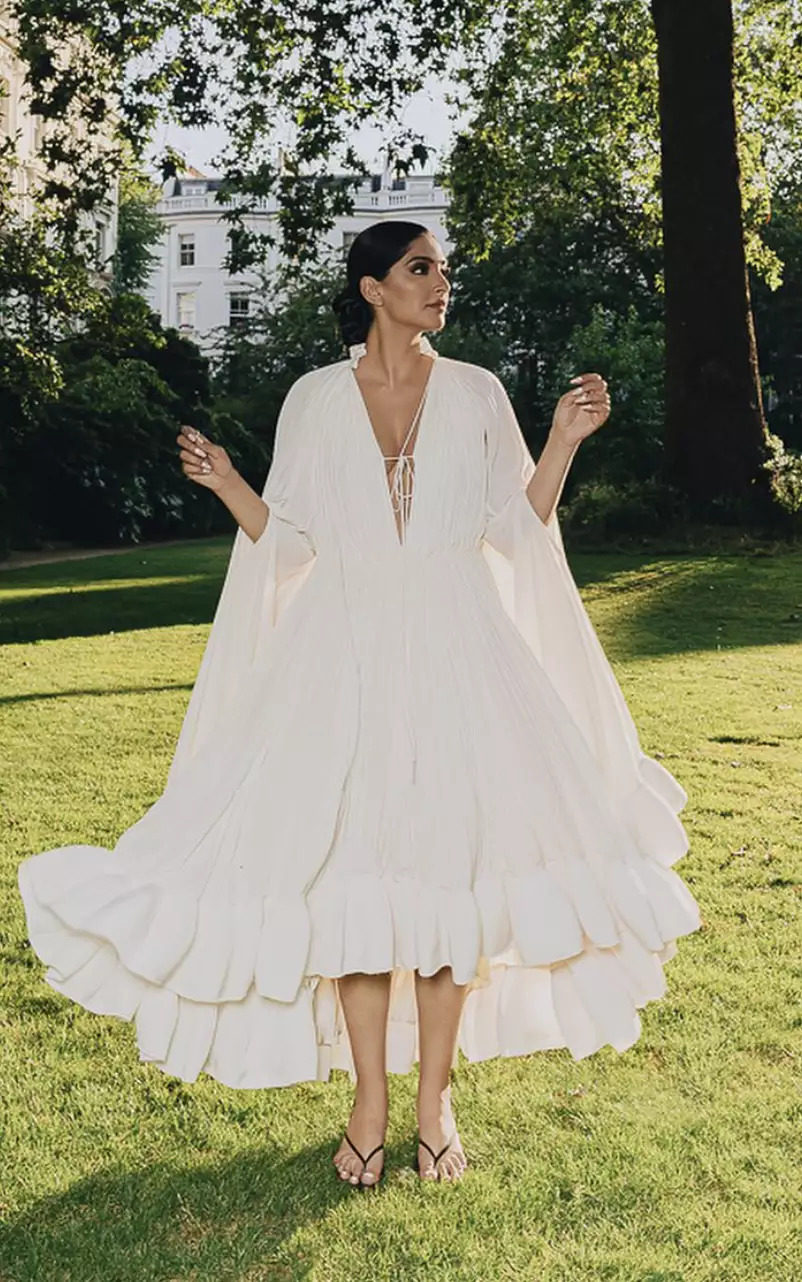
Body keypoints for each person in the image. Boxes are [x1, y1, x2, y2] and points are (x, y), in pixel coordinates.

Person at [18, 220, 701, 1190]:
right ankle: (368, 1103)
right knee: (354, 878)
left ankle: (433, 1102)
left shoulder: (476, 392)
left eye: (444, 271)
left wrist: (561, 440)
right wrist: (228, 486)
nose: (441, 284)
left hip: (458, 647)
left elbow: (514, 527)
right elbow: (290, 544)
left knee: (446, 878)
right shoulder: (313, 400)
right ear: (372, 285)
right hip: (340, 656)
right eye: (422, 268)